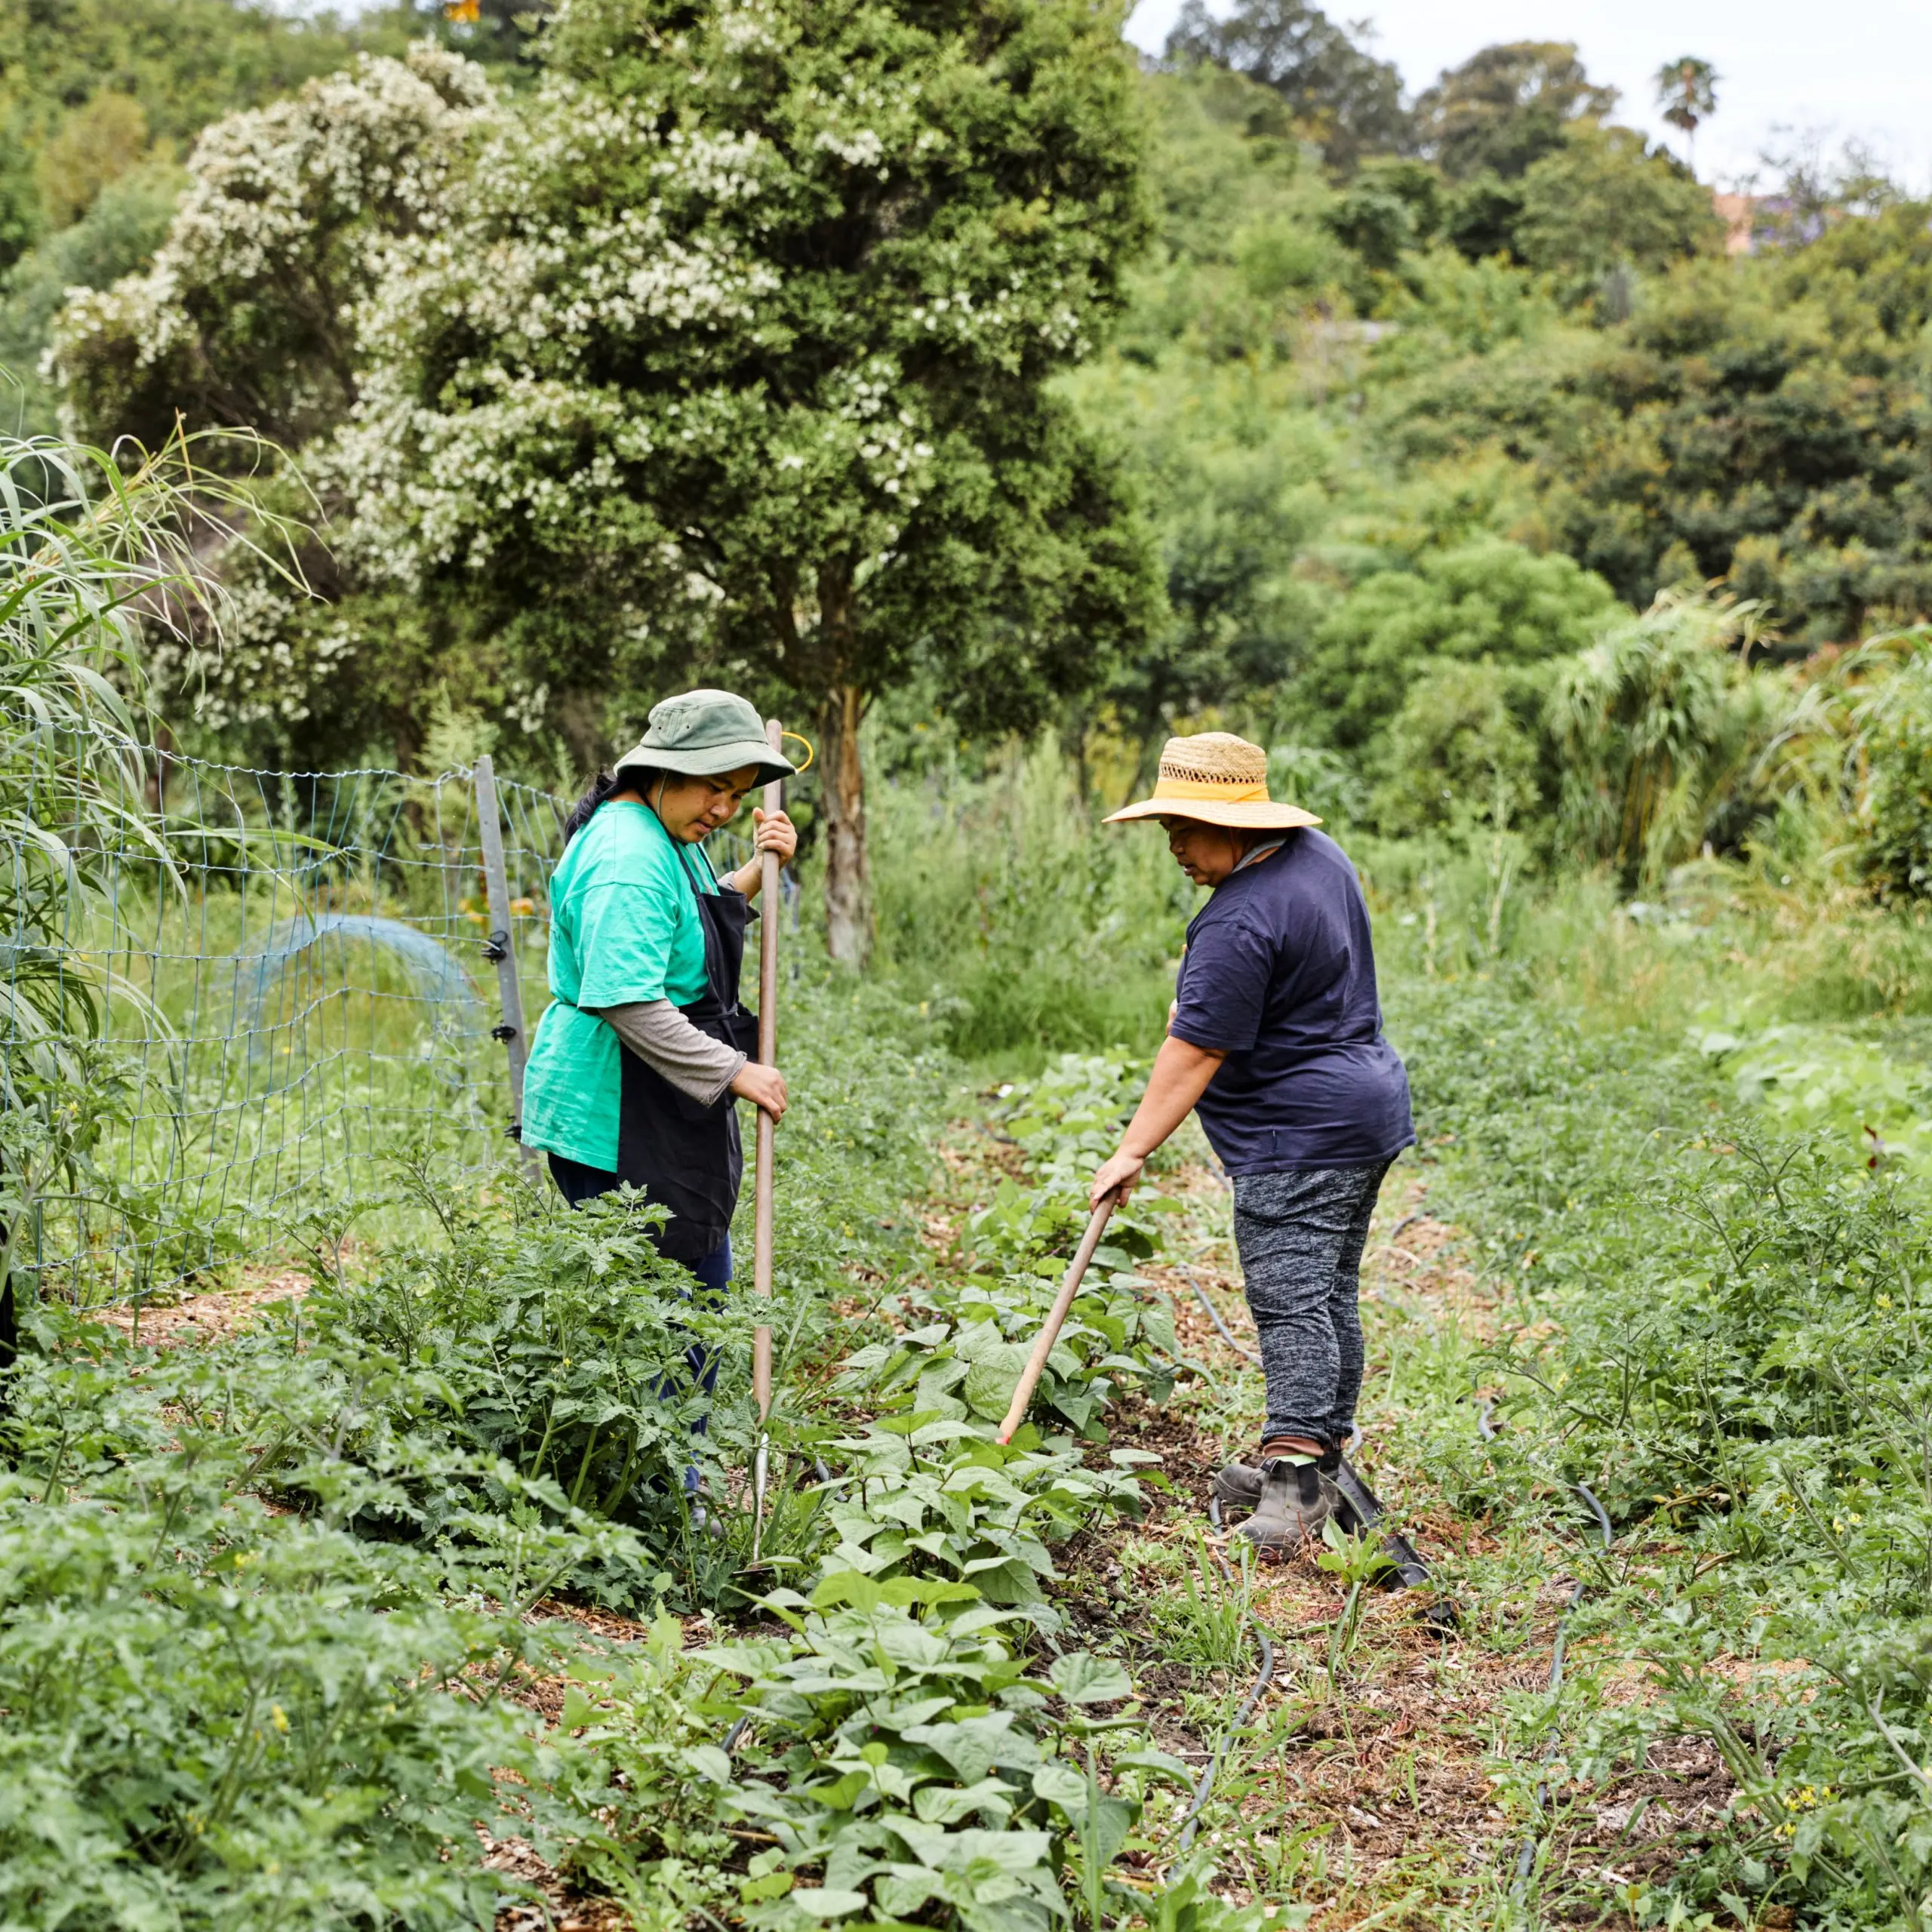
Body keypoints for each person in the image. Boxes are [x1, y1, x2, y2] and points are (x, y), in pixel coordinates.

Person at [1088, 732, 1414, 1555]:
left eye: (1185, 833)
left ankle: (1294, 1477)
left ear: (1231, 825)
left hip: (1297, 1131)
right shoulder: (1317, 856)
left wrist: (1131, 1150)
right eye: (1168, 835)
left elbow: (1194, 1049)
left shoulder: (1238, 916)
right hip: (1363, 1108)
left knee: (1292, 1297)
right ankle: (1318, 1457)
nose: (1177, 852)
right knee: (1329, 1291)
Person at [521, 688, 798, 1307]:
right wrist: (735, 1071)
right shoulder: (627, 854)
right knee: (665, 1319)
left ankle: (690, 1405)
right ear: (664, 769)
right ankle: (679, 1407)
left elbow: (683, 921)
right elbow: (628, 1003)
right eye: (714, 786)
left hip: (660, 1100)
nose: (724, 808)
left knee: (693, 1295)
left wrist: (759, 867)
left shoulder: (663, 831)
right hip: (621, 1111)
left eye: (738, 794)